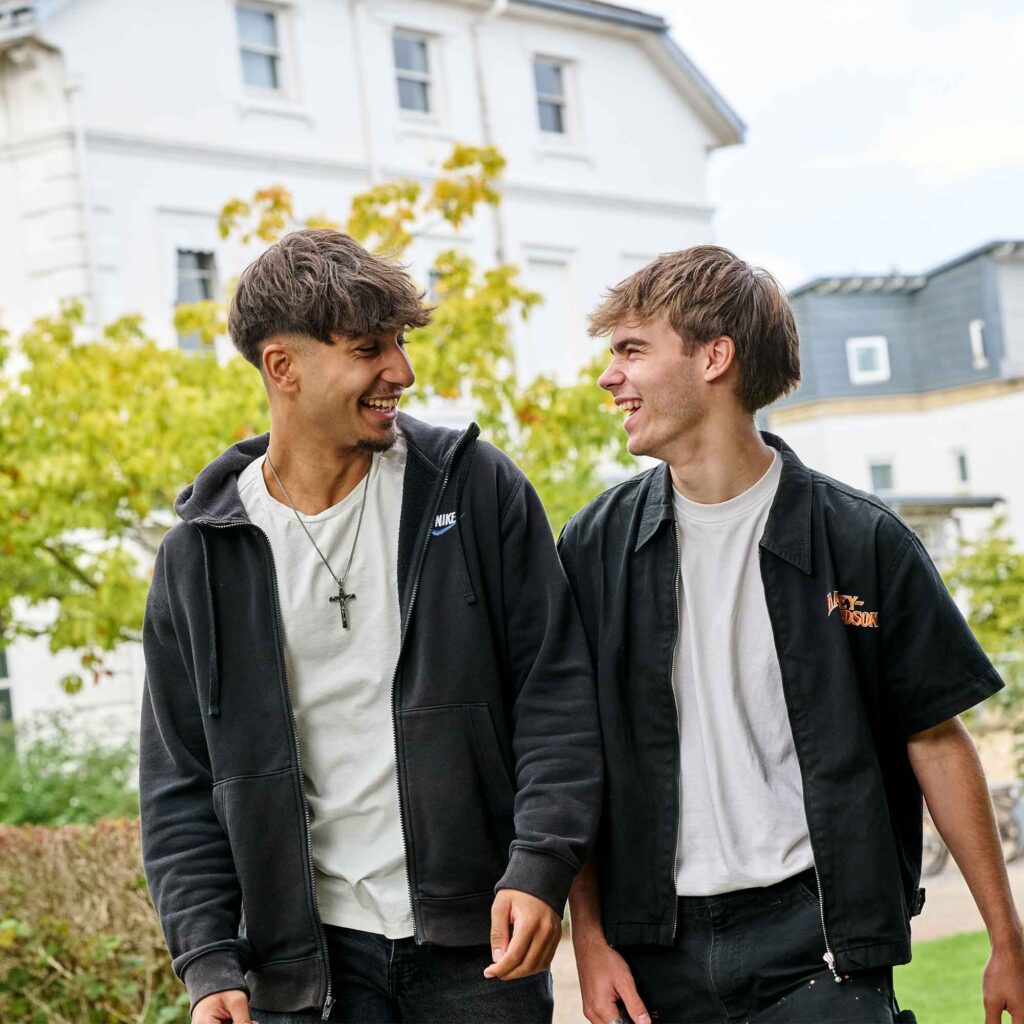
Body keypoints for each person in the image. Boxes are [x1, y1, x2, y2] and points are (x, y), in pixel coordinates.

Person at [139, 229, 601, 1024]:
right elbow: (180, 777)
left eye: (400, 344)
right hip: (302, 968)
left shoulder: (473, 489)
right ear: (282, 366)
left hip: (476, 947)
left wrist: (539, 862)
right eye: (368, 349)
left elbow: (555, 694)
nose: (402, 372)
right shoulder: (201, 554)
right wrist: (208, 959)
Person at [559, 245, 1023, 1023]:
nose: (610, 376)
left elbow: (937, 740)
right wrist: (591, 939)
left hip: (820, 945)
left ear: (715, 357)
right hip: (655, 953)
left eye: (632, 350)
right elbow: (571, 750)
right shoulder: (593, 546)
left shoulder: (863, 541)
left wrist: (1006, 938)